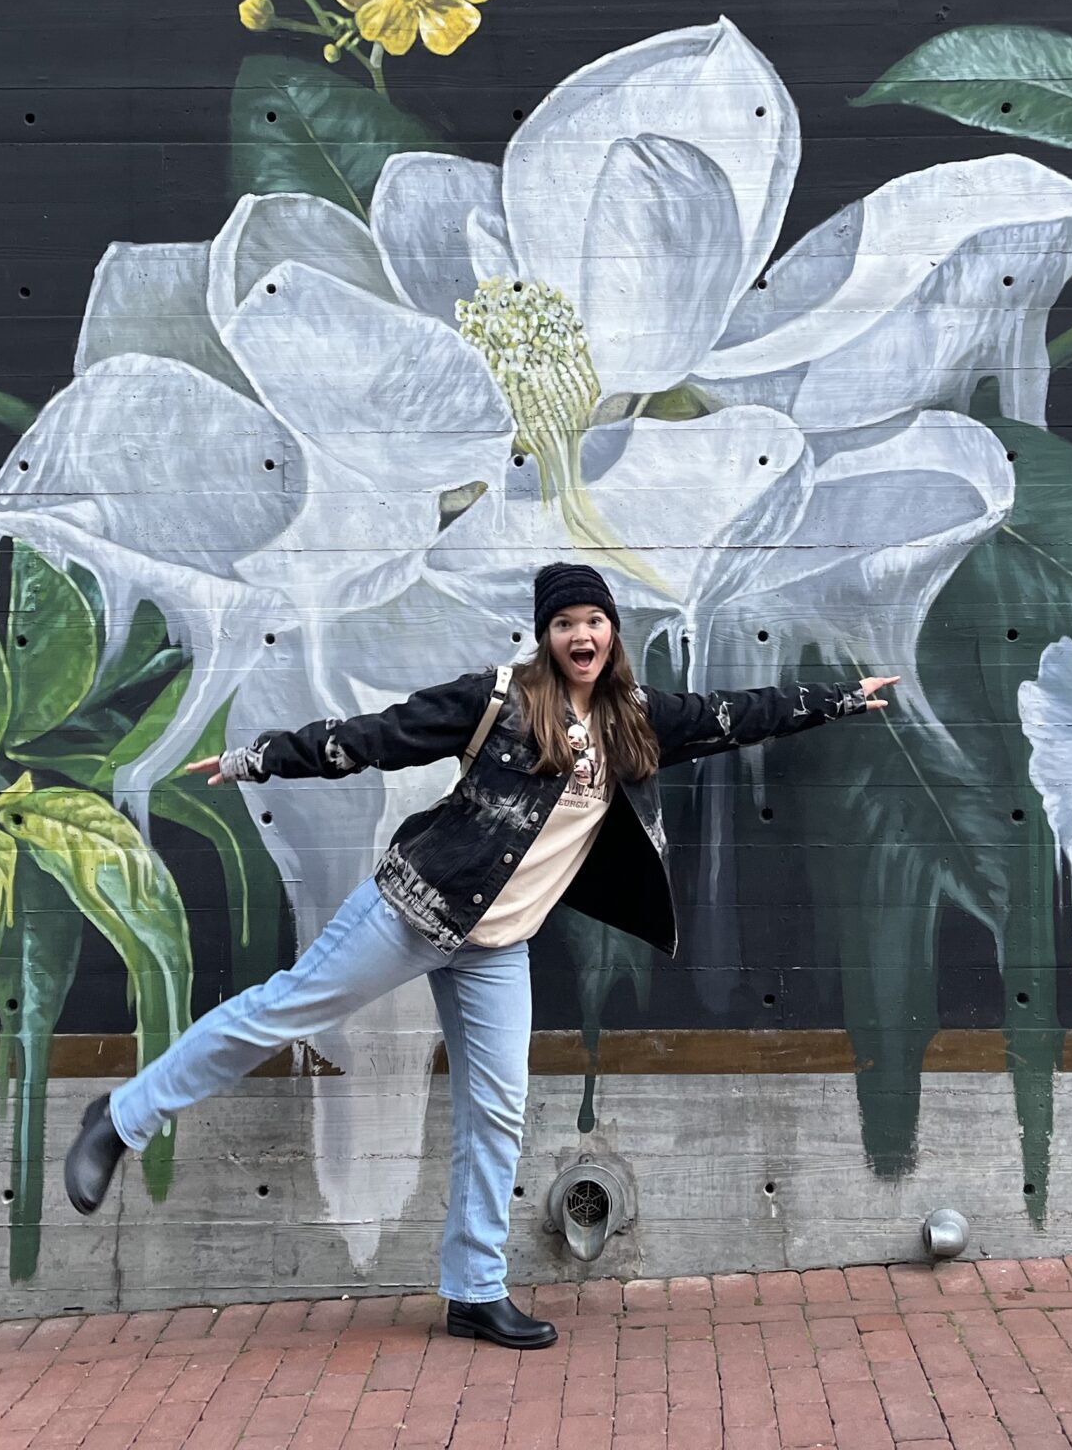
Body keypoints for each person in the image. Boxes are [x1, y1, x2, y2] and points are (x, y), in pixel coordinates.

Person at [60, 560, 898, 1348]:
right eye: (565, 622)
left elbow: (734, 714)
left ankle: (473, 1290)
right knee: (283, 1009)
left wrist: (843, 700)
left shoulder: (635, 722)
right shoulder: (496, 700)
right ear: (545, 635)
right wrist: (259, 758)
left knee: (496, 1111)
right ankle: (122, 1118)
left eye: (594, 620)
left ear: (612, 631)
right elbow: (377, 736)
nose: (581, 635)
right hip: (412, 912)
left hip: (498, 948)